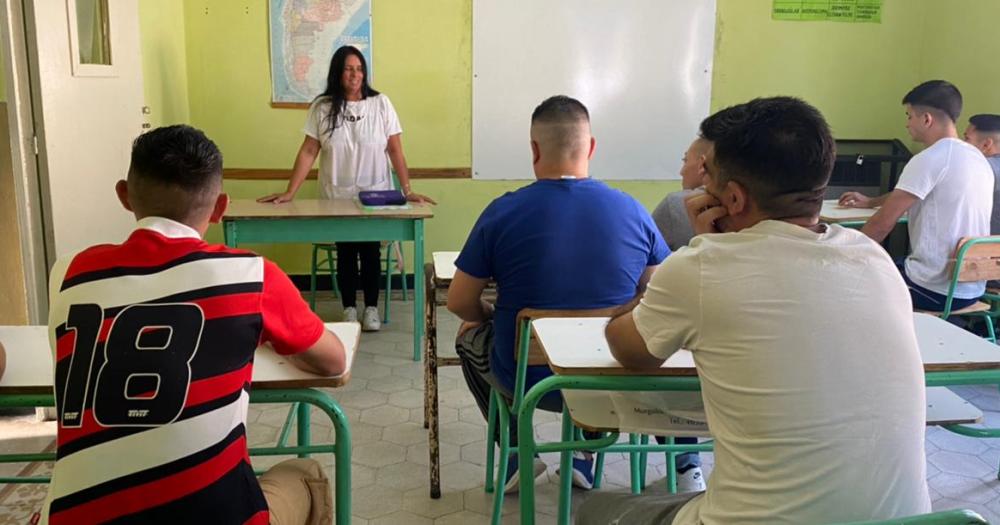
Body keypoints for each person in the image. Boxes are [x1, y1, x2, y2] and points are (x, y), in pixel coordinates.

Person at [580, 97, 932, 525]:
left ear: (731, 198)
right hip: (909, 521)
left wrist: (699, 249)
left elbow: (627, 348)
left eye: (705, 173)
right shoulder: (874, 259)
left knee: (598, 511)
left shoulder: (702, 267)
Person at [43, 125, 347, 525]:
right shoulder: (250, 275)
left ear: (124, 194)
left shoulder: (68, 273)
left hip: (73, 516)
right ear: (220, 208)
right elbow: (334, 362)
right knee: (306, 476)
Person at [446, 95, 669, 492]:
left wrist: (485, 314)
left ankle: (516, 452)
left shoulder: (502, 212)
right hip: (611, 374)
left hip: (525, 379)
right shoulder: (632, 210)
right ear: (592, 147)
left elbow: (458, 301)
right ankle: (586, 452)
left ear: (534, 150)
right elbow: (656, 292)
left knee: (467, 337)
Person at [258, 45, 435, 332]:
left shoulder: (381, 104)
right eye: (348, 69)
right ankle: (350, 308)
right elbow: (308, 151)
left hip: (376, 195)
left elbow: (395, 150)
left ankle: (372, 309)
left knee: (370, 252)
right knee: (347, 252)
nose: (355, 74)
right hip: (337, 196)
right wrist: (290, 192)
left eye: (359, 68)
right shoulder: (323, 107)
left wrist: (407, 189)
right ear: (338, 73)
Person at [839, 80, 993, 311]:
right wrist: (871, 201)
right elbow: (916, 193)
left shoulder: (929, 159)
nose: (907, 124)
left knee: (852, 284)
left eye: (909, 116)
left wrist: (843, 258)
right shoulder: (978, 159)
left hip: (932, 288)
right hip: (972, 287)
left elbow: (881, 225)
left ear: (926, 119)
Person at [651, 136, 712, 251]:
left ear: (702, 165)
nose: (681, 172)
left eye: (685, 160)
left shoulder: (674, 205)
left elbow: (646, 260)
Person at [963, 114, 1000, 235]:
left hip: (987, 248)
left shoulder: (981, 168)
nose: (962, 144)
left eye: (967, 139)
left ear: (986, 144)